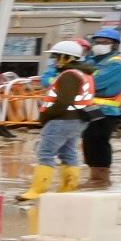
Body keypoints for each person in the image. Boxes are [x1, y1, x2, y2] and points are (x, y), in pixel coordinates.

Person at [37, 41, 93, 196]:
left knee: (46, 153)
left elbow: (63, 102)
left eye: (56, 56)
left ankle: (38, 190)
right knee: (68, 152)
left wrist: (45, 115)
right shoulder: (84, 73)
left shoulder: (69, 75)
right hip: (78, 120)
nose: (54, 60)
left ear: (66, 57)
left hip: (62, 119)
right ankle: (68, 189)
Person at [91, 29, 121, 190]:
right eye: (98, 42)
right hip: (91, 108)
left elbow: (96, 83)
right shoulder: (92, 61)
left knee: (99, 140)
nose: (100, 45)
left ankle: (101, 179)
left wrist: (84, 82)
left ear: (114, 45)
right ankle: (94, 177)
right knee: (89, 140)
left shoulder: (116, 63)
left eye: (104, 43)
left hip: (108, 111)